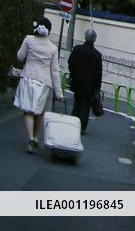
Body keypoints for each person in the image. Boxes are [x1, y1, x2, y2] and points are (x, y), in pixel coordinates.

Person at [14, 17, 64, 153]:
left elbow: (20, 56)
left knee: (28, 110)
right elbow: (54, 71)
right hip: (45, 83)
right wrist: (59, 93)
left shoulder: (29, 40)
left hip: (28, 78)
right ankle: (36, 137)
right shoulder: (53, 48)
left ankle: (31, 138)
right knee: (40, 112)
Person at [68, 28, 103, 135]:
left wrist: (73, 75)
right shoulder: (97, 55)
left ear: (85, 37)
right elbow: (98, 73)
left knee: (77, 102)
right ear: (94, 40)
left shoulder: (77, 49)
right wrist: (97, 88)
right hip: (90, 85)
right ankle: (82, 127)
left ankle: (72, 123)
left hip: (77, 81)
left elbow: (70, 63)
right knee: (85, 106)